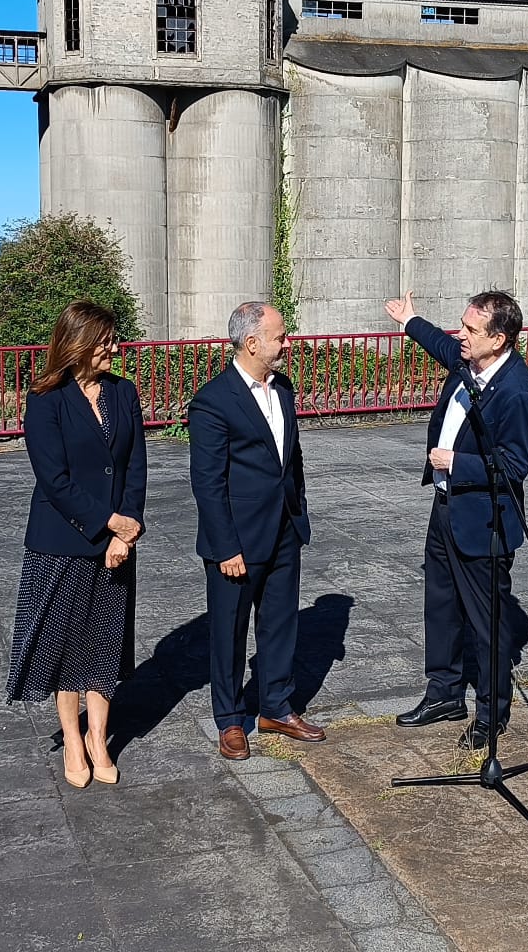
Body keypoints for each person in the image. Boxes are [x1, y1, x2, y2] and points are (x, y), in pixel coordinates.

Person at [384, 289, 528, 751]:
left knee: (486, 623)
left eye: (471, 329)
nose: (462, 335)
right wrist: (411, 320)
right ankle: (444, 694)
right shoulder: (471, 361)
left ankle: (492, 715)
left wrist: (457, 462)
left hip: (483, 520)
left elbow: (515, 466)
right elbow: (441, 345)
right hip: (445, 508)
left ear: (500, 339)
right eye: (464, 324)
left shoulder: (514, 391)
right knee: (441, 605)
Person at [5, 302, 147, 788]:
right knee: (68, 647)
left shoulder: (123, 394)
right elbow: (53, 480)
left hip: (118, 542)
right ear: (78, 343)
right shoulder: (45, 400)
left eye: (114, 338)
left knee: (104, 644)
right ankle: (72, 739)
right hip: (61, 541)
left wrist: (127, 530)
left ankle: (98, 738)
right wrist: (108, 523)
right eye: (105, 339)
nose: (114, 347)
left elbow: (134, 469)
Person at [188, 301, 324, 761]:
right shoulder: (213, 400)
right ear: (252, 343)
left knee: (281, 624)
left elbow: (292, 457)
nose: (287, 343)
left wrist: (298, 511)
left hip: (285, 529)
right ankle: (229, 719)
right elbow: (207, 482)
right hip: (237, 540)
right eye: (280, 337)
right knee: (228, 630)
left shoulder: (282, 388)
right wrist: (225, 545)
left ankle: (276, 708)